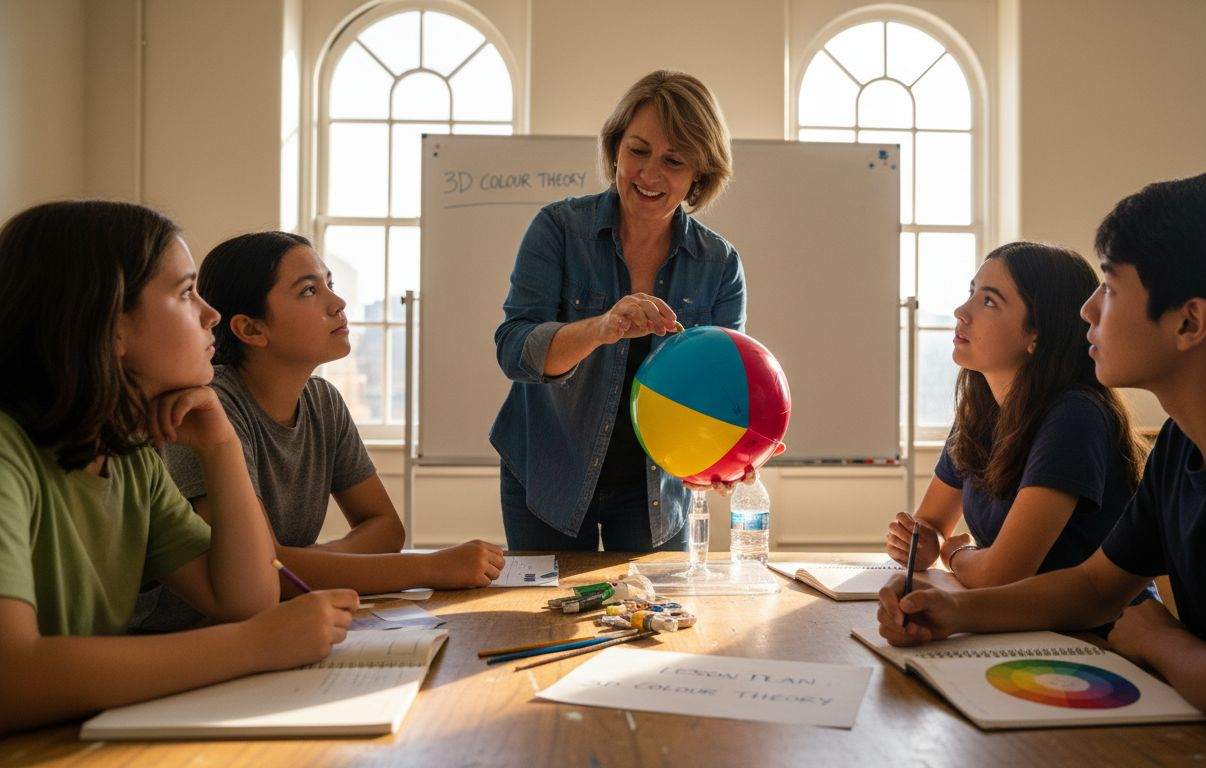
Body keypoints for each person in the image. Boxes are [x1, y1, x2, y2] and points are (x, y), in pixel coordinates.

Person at [877, 170, 1206, 759]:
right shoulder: (1183, 441)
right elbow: (1097, 585)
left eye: (1111, 288)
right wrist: (952, 609)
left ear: (1188, 323)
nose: (1087, 310)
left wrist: (1159, 640)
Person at [0, 201, 356, 733]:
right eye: (186, 293)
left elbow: (245, 598)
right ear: (111, 326)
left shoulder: (129, 457)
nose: (210, 314)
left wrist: (221, 447)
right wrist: (253, 646)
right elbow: (12, 678)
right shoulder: (9, 452)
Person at [133, 232, 504, 632]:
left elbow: (385, 527)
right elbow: (267, 570)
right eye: (310, 290)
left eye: (330, 284)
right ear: (251, 330)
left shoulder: (322, 400)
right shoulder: (208, 411)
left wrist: (308, 561)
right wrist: (430, 566)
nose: (338, 302)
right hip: (182, 634)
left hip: (259, 623)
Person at [491, 70, 748, 551]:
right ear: (615, 149)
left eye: (674, 160)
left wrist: (722, 458)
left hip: (655, 492)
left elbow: (721, 391)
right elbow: (513, 351)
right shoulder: (558, 230)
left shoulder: (720, 264)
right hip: (549, 475)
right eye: (638, 151)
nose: (649, 174)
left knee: (656, 623)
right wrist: (602, 328)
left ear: (700, 173)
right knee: (542, 623)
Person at [886, 242, 1147, 589]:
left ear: (1037, 334)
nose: (961, 311)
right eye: (971, 293)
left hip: (1091, 635)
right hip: (1021, 628)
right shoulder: (979, 413)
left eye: (989, 301)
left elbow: (1002, 575)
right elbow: (930, 524)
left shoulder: (1074, 417)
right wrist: (920, 545)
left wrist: (954, 555)